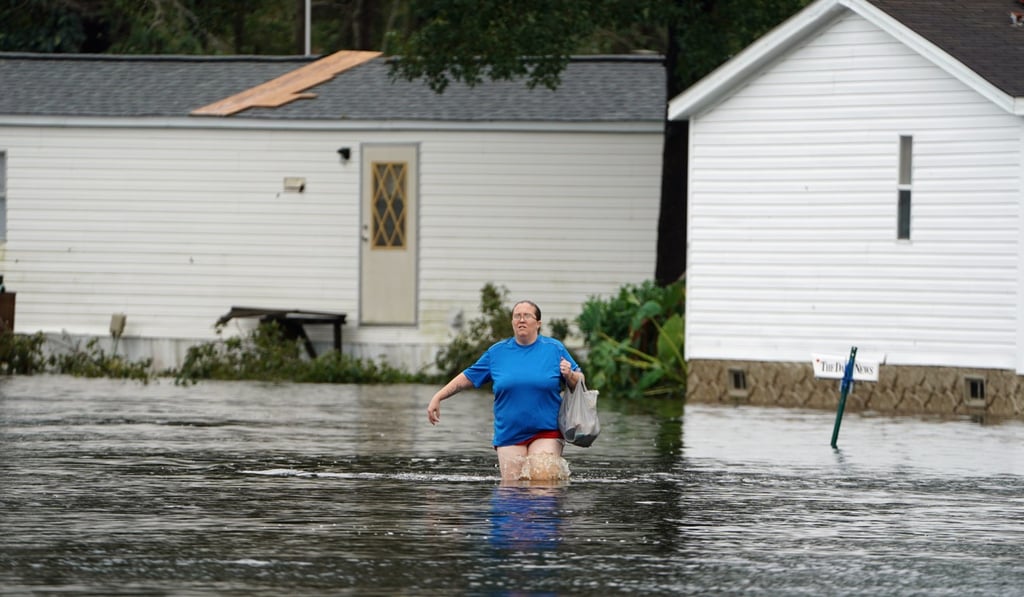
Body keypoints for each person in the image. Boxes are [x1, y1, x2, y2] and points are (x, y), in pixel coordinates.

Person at [426, 300, 583, 482]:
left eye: (527, 316)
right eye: (517, 316)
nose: (521, 319)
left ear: (538, 323)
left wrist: (570, 374)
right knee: (512, 492)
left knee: (542, 484)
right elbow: (468, 377)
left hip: (546, 429)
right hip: (509, 433)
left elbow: (580, 379)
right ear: (512, 322)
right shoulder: (497, 353)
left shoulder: (554, 349)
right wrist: (438, 396)